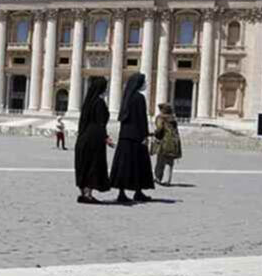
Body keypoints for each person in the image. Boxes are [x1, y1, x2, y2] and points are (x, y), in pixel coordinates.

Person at [109, 73, 155, 203]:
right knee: (139, 164)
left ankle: (121, 193)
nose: (145, 84)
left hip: (124, 136)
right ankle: (138, 191)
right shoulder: (139, 98)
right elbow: (141, 118)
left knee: (124, 165)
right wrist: (145, 135)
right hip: (136, 136)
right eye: (143, 82)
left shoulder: (126, 97)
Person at [74, 77, 115, 204]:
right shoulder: (99, 103)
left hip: (83, 137)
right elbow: (100, 123)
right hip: (94, 138)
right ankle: (88, 195)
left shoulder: (87, 103)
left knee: (83, 164)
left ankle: (83, 193)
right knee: (93, 165)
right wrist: (106, 137)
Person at [152, 103, 182, 186]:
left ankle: (158, 177)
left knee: (160, 160)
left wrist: (155, 134)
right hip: (174, 142)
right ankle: (167, 180)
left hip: (164, 141)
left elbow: (159, 128)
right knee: (169, 162)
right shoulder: (173, 119)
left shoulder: (160, 118)